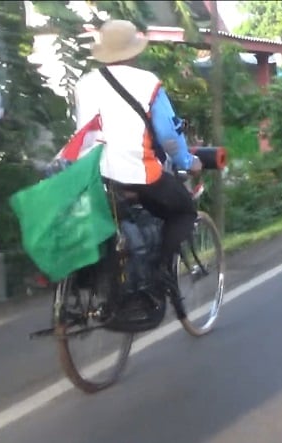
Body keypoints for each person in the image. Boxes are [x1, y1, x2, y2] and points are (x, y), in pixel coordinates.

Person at [74, 20, 202, 290]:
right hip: (138, 173)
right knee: (183, 211)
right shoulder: (147, 83)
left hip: (94, 176)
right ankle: (161, 273)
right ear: (134, 51)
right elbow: (168, 135)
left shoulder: (84, 84)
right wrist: (189, 162)